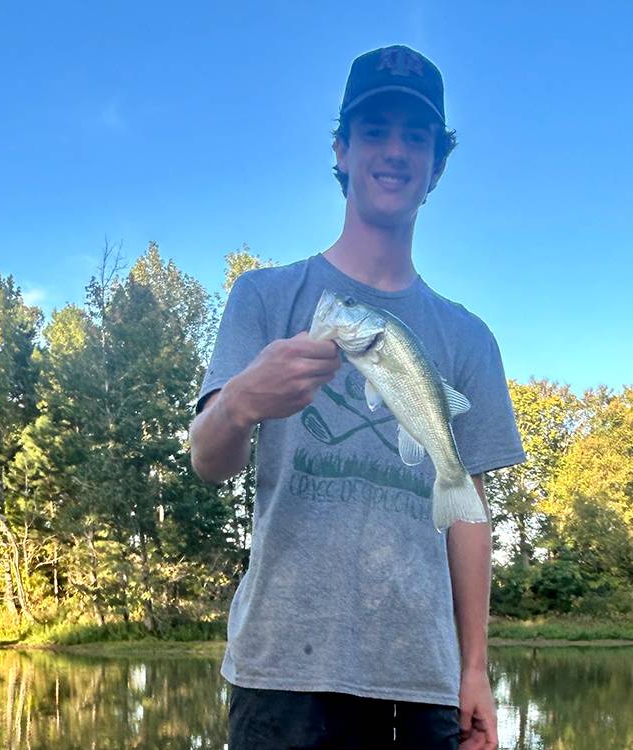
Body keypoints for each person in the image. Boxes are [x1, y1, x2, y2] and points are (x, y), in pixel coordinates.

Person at [190, 44, 525, 750]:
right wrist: (242, 400)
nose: (395, 151)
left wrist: (473, 670)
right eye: (374, 131)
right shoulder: (264, 297)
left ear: (437, 167)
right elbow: (208, 462)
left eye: (417, 136)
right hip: (279, 671)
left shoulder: (469, 338)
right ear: (341, 150)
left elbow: (469, 517)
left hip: (422, 682)